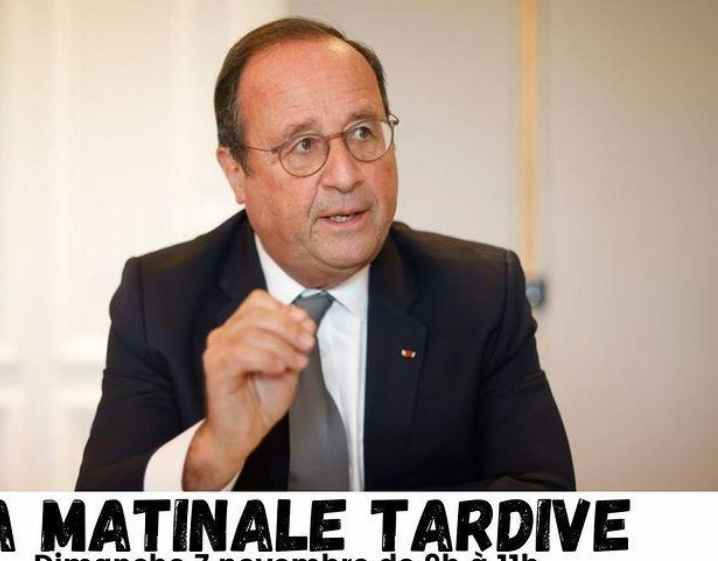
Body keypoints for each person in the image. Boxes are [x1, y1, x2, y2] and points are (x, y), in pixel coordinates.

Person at [76, 17, 574, 491]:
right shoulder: (160, 299)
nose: (345, 175)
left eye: (363, 132)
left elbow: (544, 501)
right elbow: (101, 518)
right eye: (303, 144)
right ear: (236, 173)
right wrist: (213, 452)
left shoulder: (481, 293)